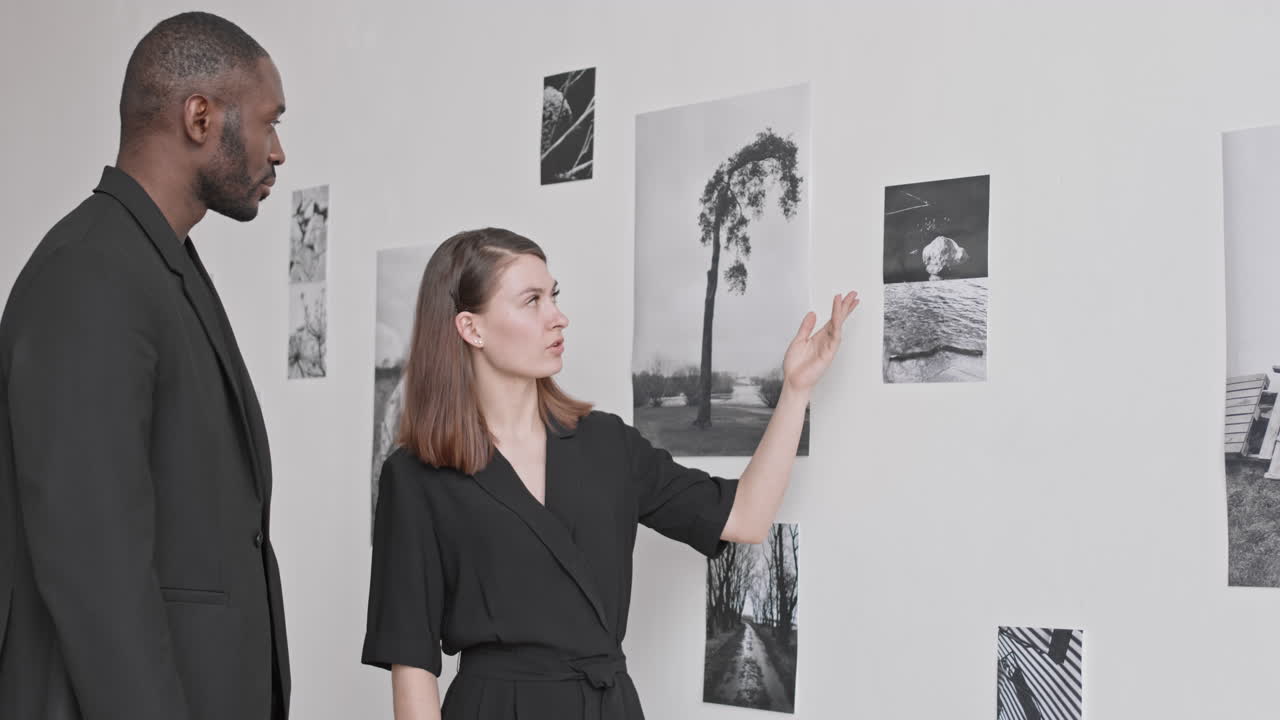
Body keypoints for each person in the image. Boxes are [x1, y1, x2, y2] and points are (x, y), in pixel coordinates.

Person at [361, 228, 859, 719]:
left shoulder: (607, 444)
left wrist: (796, 390)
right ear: (472, 328)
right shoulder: (415, 476)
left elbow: (746, 516)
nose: (559, 317)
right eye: (531, 301)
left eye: (553, 296)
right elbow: (413, 670)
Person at [0, 12, 290, 719]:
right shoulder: (90, 272)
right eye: (267, 121)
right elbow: (93, 566)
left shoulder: (154, 264)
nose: (277, 150)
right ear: (200, 117)